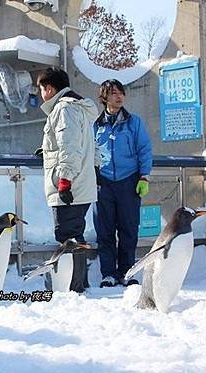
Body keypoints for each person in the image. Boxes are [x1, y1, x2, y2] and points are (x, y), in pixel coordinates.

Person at [36, 67, 99, 293]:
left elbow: (69, 146)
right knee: (73, 234)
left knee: (67, 235)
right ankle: (78, 283)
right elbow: (88, 145)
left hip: (70, 185)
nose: (41, 94)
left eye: (41, 89)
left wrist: (65, 180)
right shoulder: (76, 108)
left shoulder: (63, 109)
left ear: (50, 89)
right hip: (80, 182)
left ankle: (74, 286)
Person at [93, 79, 153, 288]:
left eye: (121, 93)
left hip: (129, 180)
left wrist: (144, 176)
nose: (119, 97)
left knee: (129, 229)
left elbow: (144, 149)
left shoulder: (133, 122)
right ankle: (108, 273)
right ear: (104, 97)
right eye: (114, 93)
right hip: (103, 182)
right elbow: (88, 152)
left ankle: (127, 272)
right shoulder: (95, 124)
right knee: (105, 230)